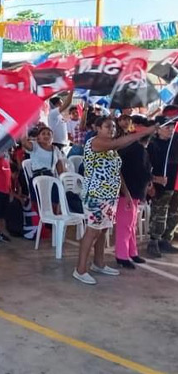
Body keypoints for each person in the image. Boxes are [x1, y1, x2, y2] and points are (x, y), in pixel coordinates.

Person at [73, 117, 157, 285]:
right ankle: (80, 269)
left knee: (103, 230)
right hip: (96, 195)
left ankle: (99, 263)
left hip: (110, 195)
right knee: (92, 231)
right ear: (97, 128)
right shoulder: (95, 143)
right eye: (107, 126)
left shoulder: (112, 149)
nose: (111, 129)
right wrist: (144, 132)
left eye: (113, 127)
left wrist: (124, 193)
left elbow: (117, 172)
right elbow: (123, 141)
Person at [115, 118, 152, 268]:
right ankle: (122, 255)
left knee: (131, 224)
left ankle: (131, 252)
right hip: (128, 191)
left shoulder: (135, 147)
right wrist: (152, 177)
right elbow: (140, 171)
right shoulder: (135, 148)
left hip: (134, 191)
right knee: (126, 224)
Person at [146, 116, 178, 258]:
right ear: (158, 129)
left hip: (174, 182)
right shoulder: (152, 144)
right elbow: (145, 167)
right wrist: (151, 181)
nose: (171, 130)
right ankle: (154, 241)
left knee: (174, 213)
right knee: (159, 213)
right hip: (160, 184)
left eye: (172, 127)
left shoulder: (174, 141)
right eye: (167, 127)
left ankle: (166, 239)